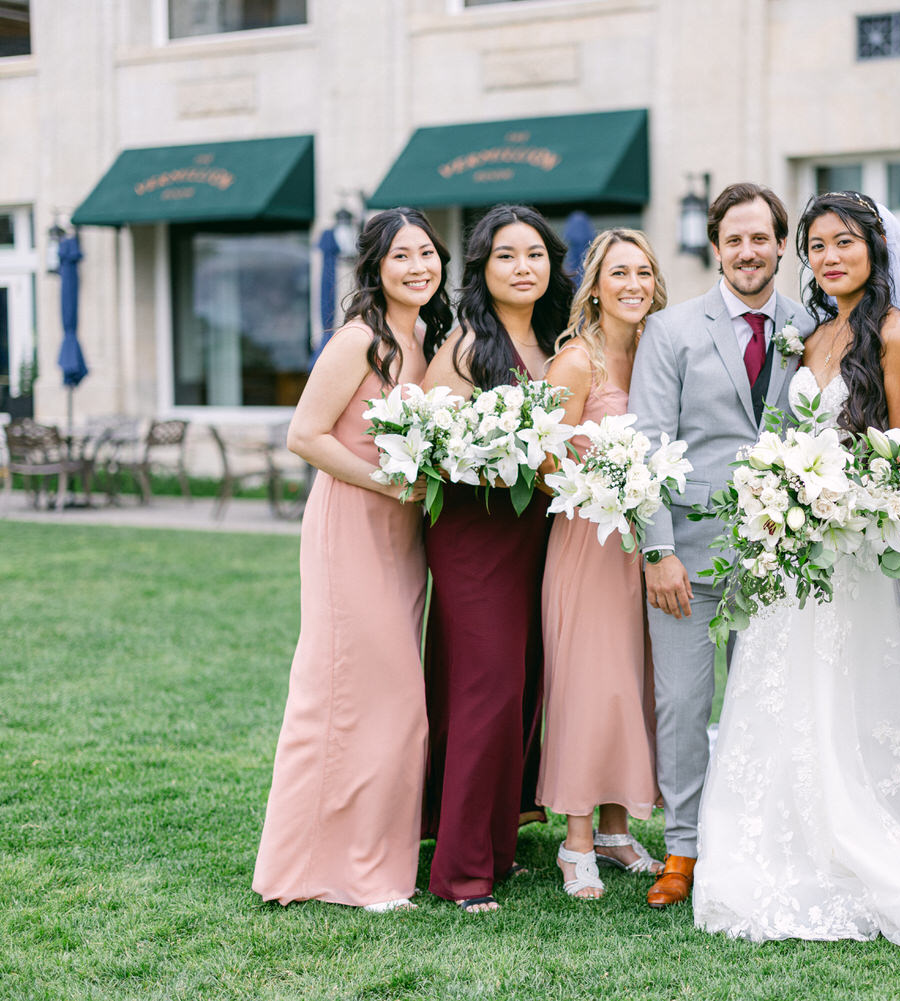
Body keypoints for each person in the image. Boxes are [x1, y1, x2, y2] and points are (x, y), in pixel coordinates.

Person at [693, 191, 900, 953]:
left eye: (845, 242)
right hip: (795, 551)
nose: (830, 256)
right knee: (781, 688)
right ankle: (776, 844)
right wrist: (784, 494)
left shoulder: (897, 334)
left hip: (856, 556)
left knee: (843, 690)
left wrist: (836, 501)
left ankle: (856, 841)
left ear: (874, 248)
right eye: (817, 245)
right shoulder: (812, 332)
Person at [253, 208, 450, 912]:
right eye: (402, 256)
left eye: (427, 253)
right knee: (348, 690)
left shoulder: (430, 337)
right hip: (351, 526)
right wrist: (387, 481)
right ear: (376, 266)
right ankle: (309, 866)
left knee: (395, 704)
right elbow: (303, 435)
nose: (418, 266)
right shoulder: (359, 340)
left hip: (405, 535)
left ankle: (372, 862)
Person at [629, 182, 814, 910]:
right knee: (681, 704)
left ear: (779, 244)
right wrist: (656, 548)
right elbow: (646, 443)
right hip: (688, 554)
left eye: (760, 238)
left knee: (766, 703)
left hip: (781, 555)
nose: (747, 251)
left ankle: (755, 839)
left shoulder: (811, 325)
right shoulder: (671, 331)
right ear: (716, 247)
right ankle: (683, 848)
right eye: (733, 239)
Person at [421, 205, 574, 912]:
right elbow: (430, 445)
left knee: (519, 688)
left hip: (536, 539)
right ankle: (459, 871)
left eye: (535, 254)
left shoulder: (556, 342)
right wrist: (510, 462)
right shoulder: (464, 347)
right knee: (488, 691)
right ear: (482, 268)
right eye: (507, 255)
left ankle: (496, 844)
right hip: (473, 538)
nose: (524, 267)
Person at [537, 229, 668, 898]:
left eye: (643, 272)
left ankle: (617, 830)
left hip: (640, 542)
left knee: (631, 682)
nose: (633, 285)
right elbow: (543, 462)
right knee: (591, 683)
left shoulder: (654, 354)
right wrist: (600, 484)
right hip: (586, 545)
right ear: (594, 285)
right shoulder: (575, 362)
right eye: (620, 273)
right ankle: (576, 840)